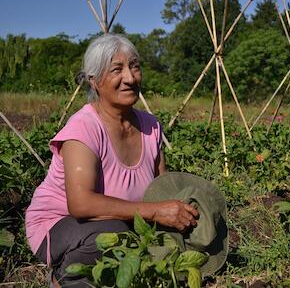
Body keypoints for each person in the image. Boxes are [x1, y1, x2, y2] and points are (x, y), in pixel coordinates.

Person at [25, 34, 198, 287]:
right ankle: (64, 278)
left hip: (125, 222)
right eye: (117, 69)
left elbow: (163, 188)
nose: (129, 78)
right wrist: (157, 211)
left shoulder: (151, 126)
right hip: (61, 223)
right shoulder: (84, 127)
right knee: (114, 236)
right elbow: (81, 204)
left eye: (134, 66)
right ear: (94, 80)